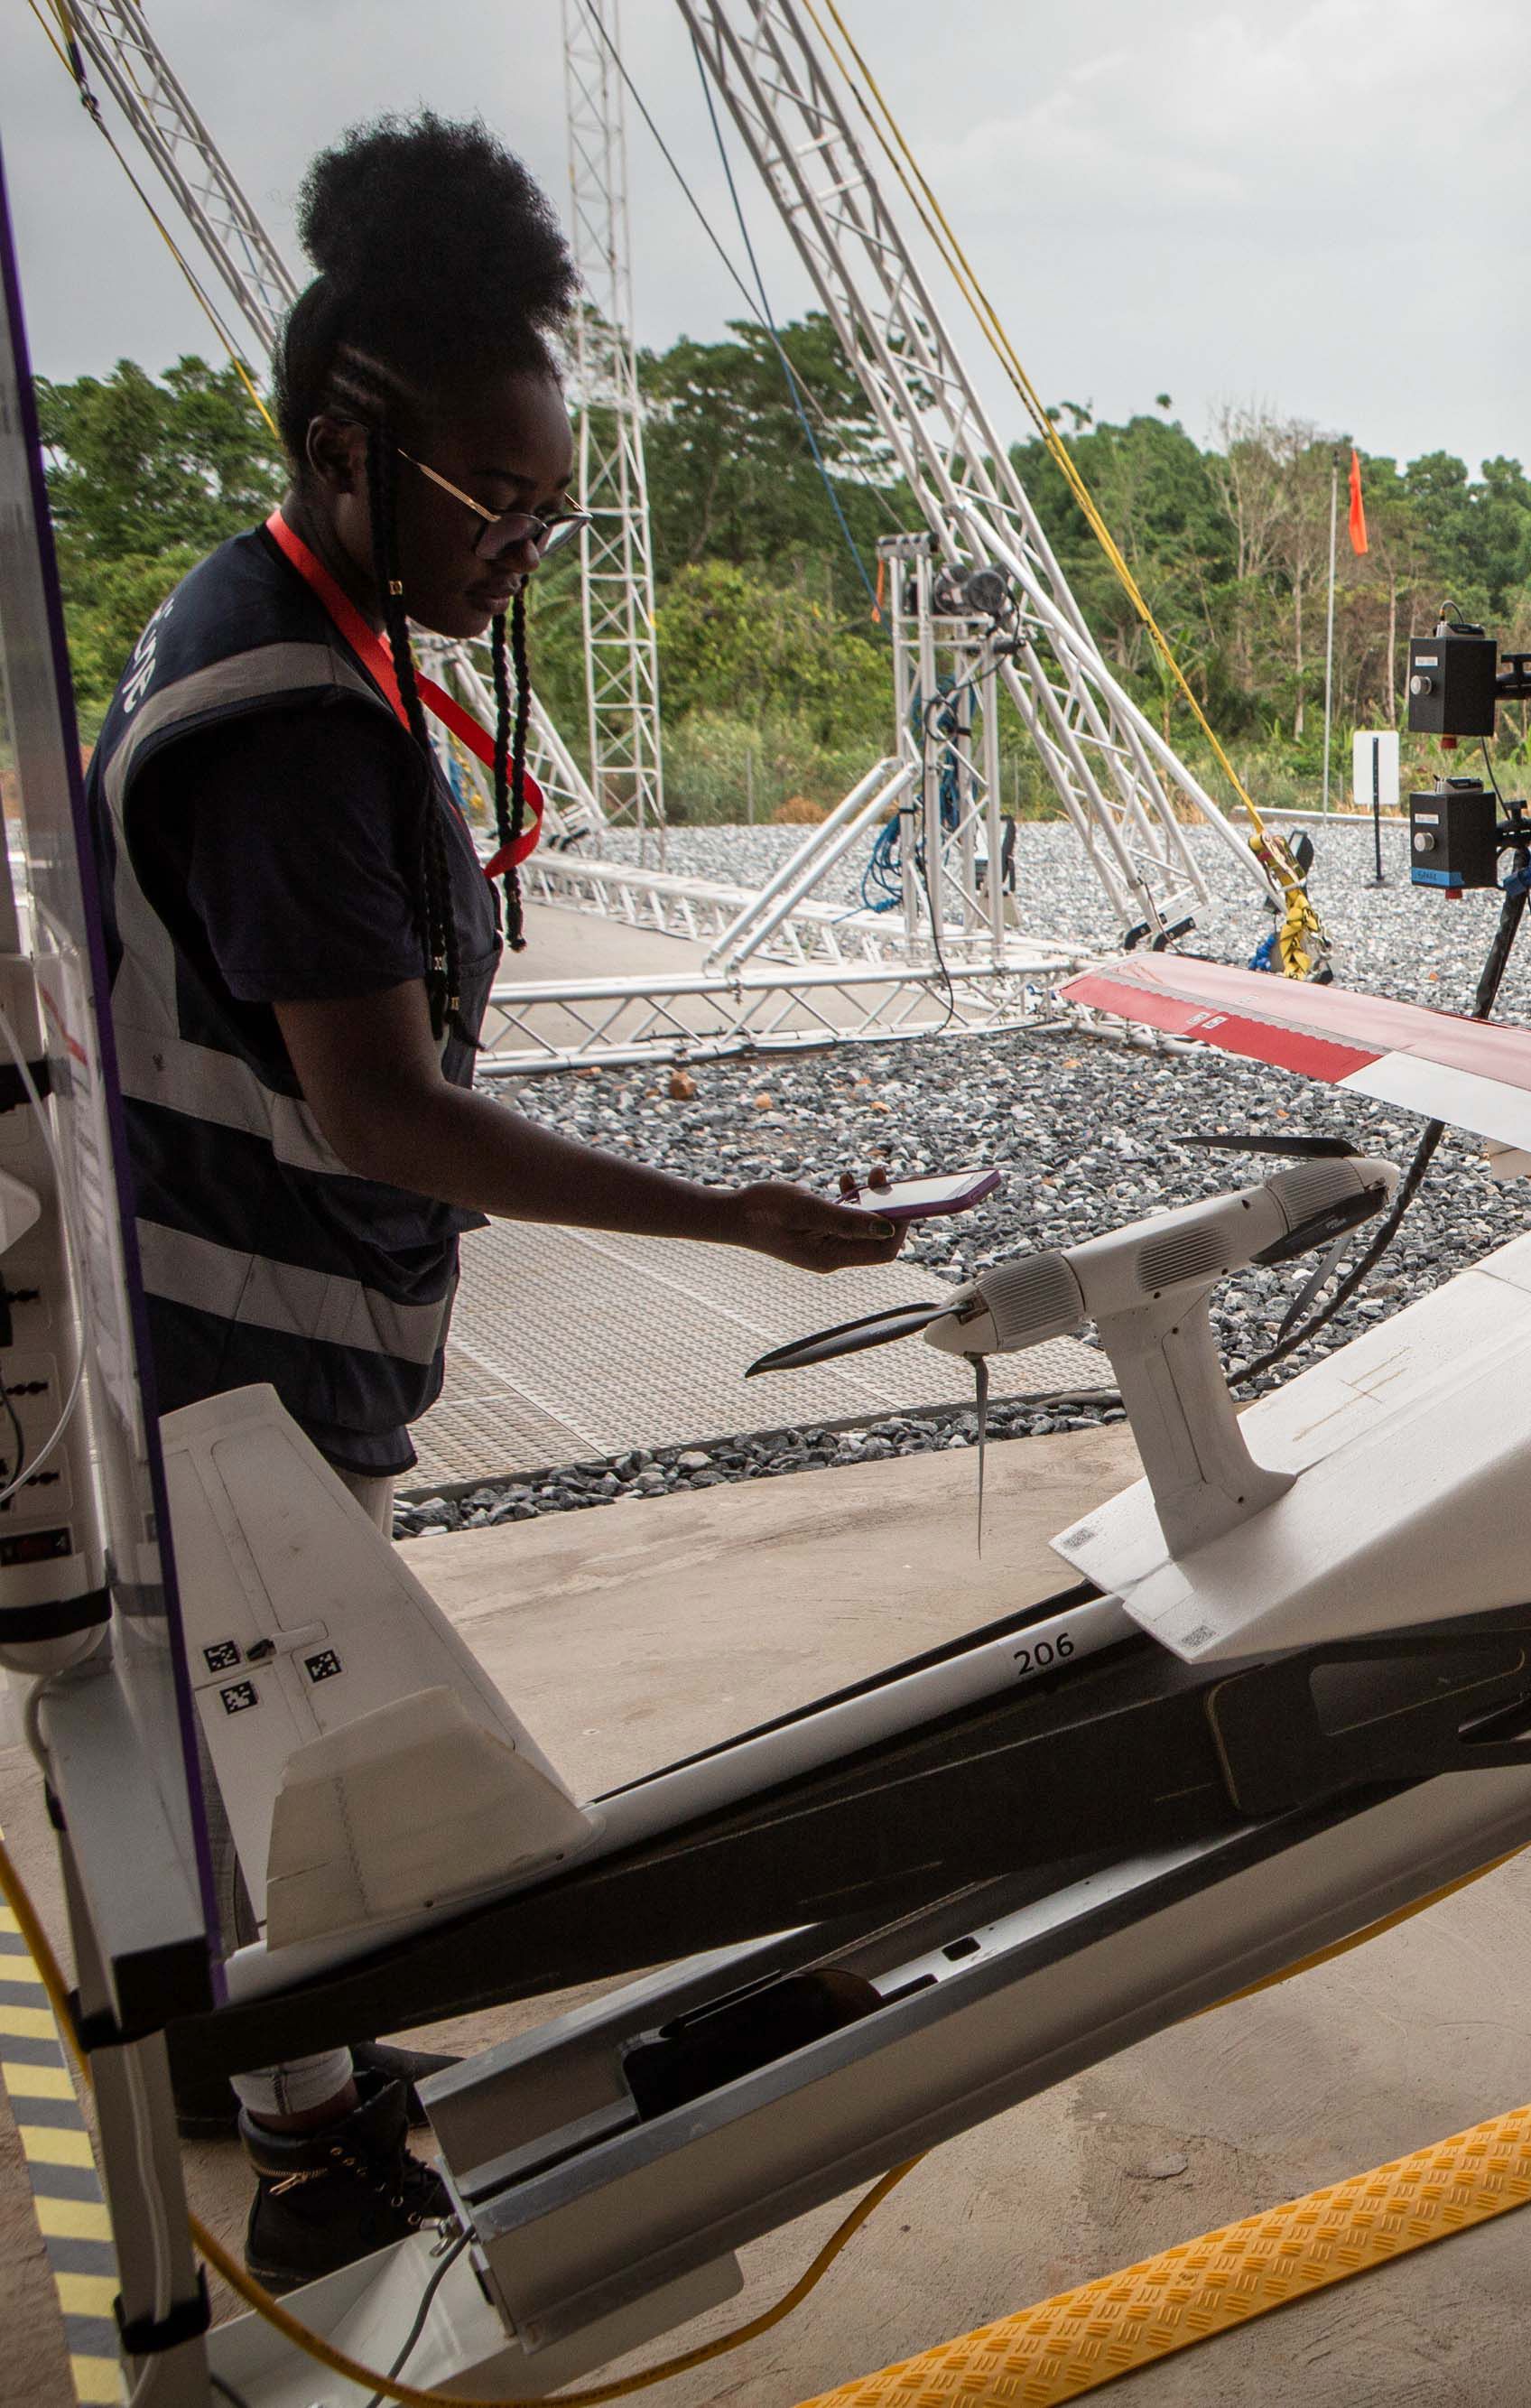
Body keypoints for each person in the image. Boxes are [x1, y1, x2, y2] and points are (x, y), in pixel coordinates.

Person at [78, 116, 903, 2284]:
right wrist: (738, 1217)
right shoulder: (286, 719)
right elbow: (383, 1111)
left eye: (549, 497)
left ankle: (246, 2053)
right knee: (322, 1745)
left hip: (225, 1323)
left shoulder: (292, 632)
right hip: (225, 1336)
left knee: (248, 1721)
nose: (523, 533)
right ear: (353, 446)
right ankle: (305, 2139)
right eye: (494, 490)